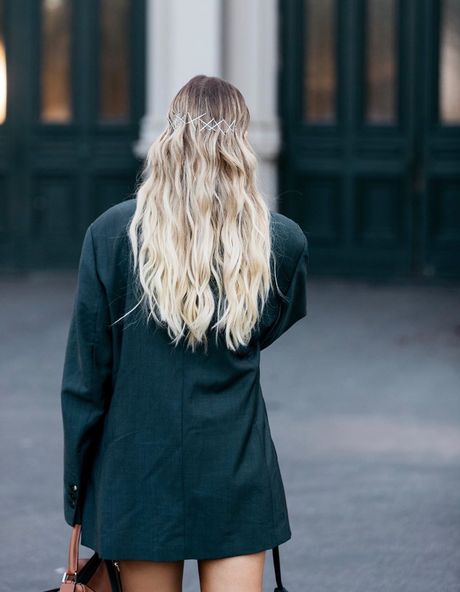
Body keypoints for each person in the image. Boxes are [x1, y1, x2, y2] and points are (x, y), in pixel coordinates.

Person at [60, 74, 308, 592]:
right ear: (241, 144)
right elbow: (267, 328)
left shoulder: (111, 234)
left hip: (138, 469)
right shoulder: (280, 242)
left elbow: (86, 384)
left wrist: (78, 497)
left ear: (169, 137)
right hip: (235, 468)